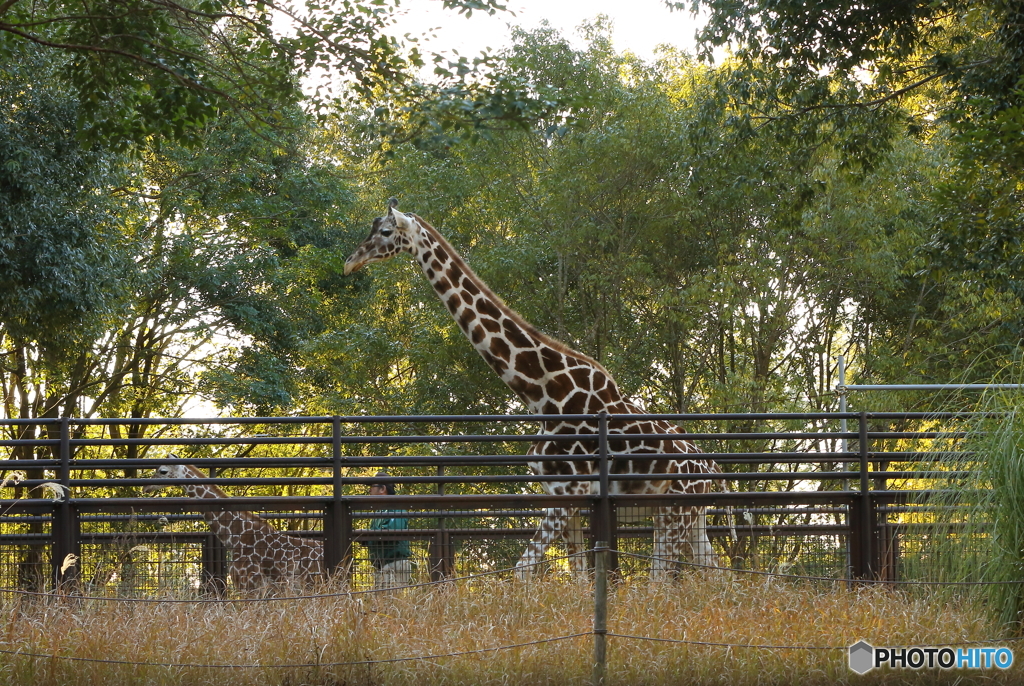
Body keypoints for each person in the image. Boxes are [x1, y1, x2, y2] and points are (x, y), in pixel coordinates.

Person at [365, 471, 412, 589]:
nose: (369, 490)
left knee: (390, 599)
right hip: (383, 566)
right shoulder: (380, 512)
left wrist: (367, 535)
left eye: (372, 486)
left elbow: (391, 533)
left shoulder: (395, 509)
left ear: (382, 489)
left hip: (394, 564)